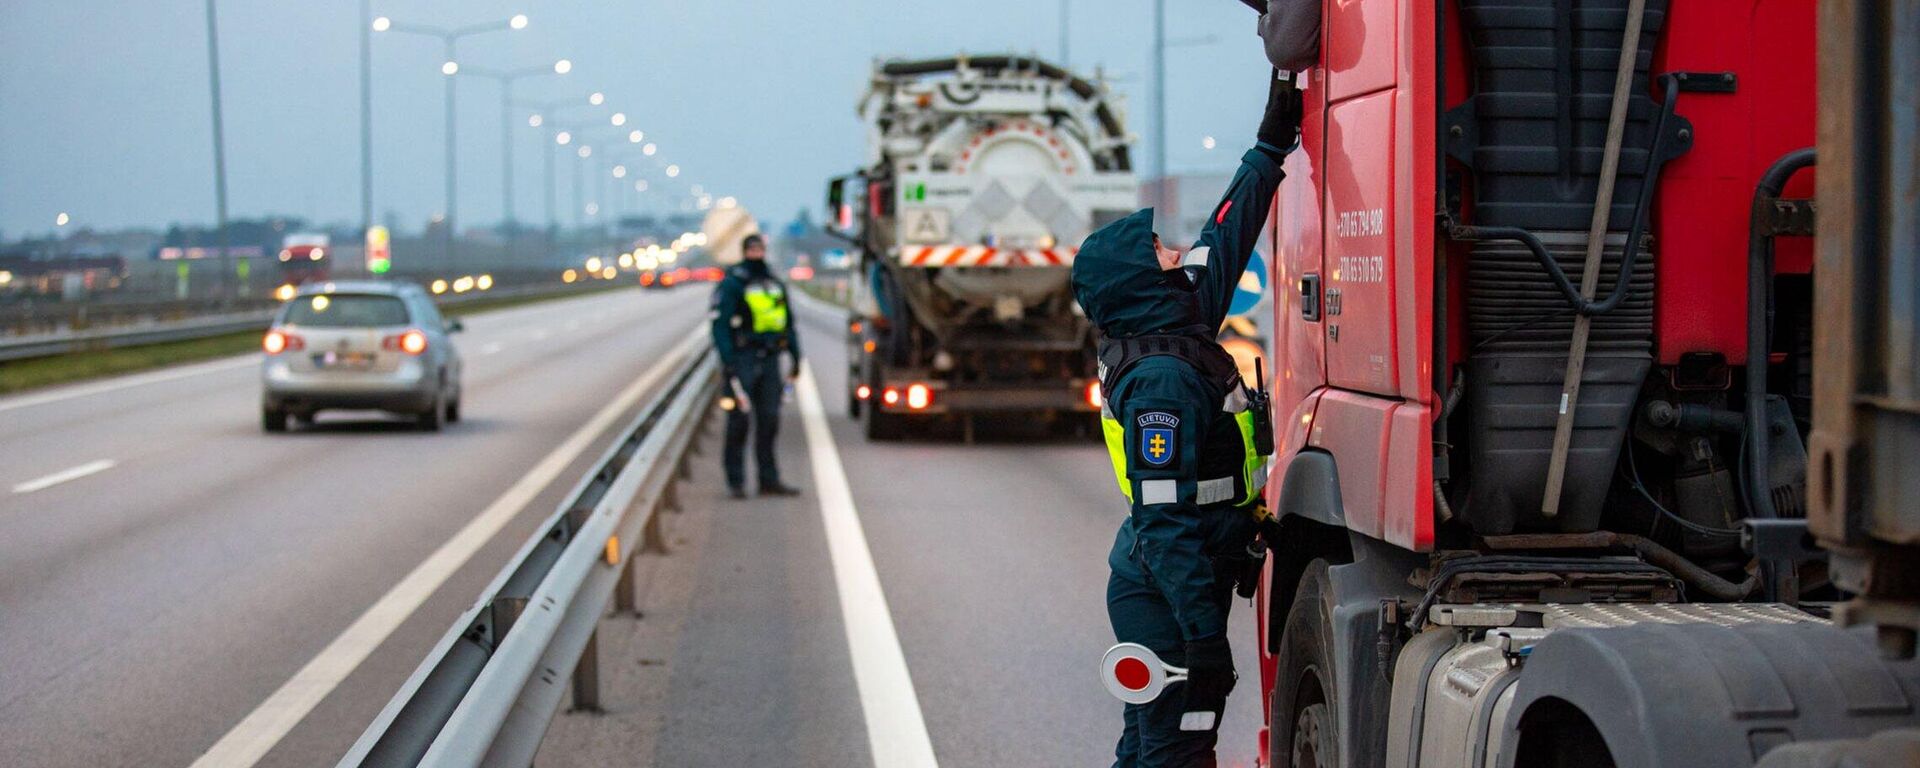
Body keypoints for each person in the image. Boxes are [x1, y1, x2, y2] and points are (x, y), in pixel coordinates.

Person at [1071, 67, 1302, 767]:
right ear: (1141, 282)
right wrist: (1204, 637)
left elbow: (1221, 242)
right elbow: (1165, 518)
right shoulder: (1163, 382)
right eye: (1158, 250)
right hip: (1165, 586)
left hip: (1173, 576)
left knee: (1152, 745)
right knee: (1174, 750)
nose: (1174, 250)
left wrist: (1268, 148)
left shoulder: (1172, 322)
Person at [710, 234, 803, 499]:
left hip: (771, 359)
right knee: (739, 422)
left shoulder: (773, 283)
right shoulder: (732, 284)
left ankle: (768, 479)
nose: (756, 252)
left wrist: (796, 357)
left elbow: (787, 323)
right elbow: (720, 326)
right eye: (751, 248)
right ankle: (736, 481)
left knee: (769, 421)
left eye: (759, 248)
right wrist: (728, 361)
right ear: (744, 251)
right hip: (743, 360)